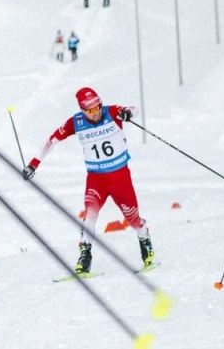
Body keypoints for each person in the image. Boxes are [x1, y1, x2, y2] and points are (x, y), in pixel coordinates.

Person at [22, 88, 153, 273]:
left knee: (132, 219)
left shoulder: (112, 112)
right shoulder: (76, 122)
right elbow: (52, 140)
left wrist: (127, 113)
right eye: (90, 110)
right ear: (82, 110)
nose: (96, 112)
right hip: (96, 179)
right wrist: (33, 164)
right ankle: (85, 255)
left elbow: (133, 109)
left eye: (97, 107)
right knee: (89, 217)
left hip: (120, 178)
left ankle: (143, 235)